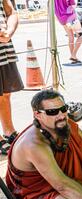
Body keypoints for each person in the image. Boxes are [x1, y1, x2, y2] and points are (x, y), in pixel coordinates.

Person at [0, 0, 22, 155]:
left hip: (4, 48)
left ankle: (9, 131)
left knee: (6, 93)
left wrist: (9, 31)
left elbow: (11, 13)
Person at [54, 0, 82, 64]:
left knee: (71, 37)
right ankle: (73, 55)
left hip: (61, 18)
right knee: (80, 36)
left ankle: (74, 58)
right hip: (70, 16)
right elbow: (73, 5)